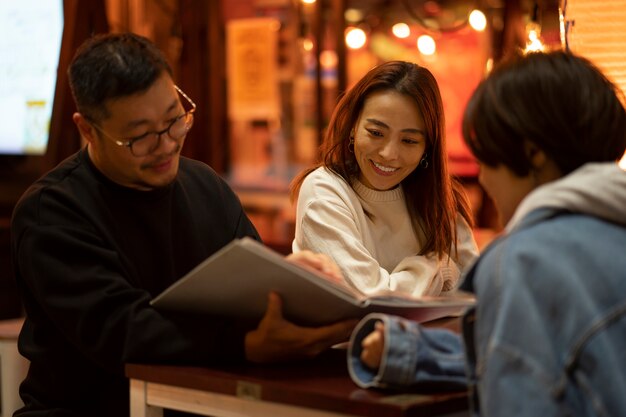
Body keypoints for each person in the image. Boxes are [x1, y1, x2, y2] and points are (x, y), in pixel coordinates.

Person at [10, 32, 355, 417]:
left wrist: (295, 284)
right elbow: (124, 330)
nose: (167, 144)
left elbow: (256, 288)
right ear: (87, 129)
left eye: (175, 119)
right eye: (140, 137)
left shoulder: (205, 186)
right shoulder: (52, 211)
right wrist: (244, 343)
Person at [348, 50, 626, 416]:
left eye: (485, 156)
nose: (483, 177)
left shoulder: (523, 261)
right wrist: (409, 351)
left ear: (533, 155)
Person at [291, 61, 478, 297]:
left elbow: (477, 288)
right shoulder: (325, 190)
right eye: (376, 133)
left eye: (409, 141)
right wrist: (441, 269)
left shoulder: (439, 198)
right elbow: (367, 295)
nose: (389, 154)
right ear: (353, 127)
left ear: (427, 148)